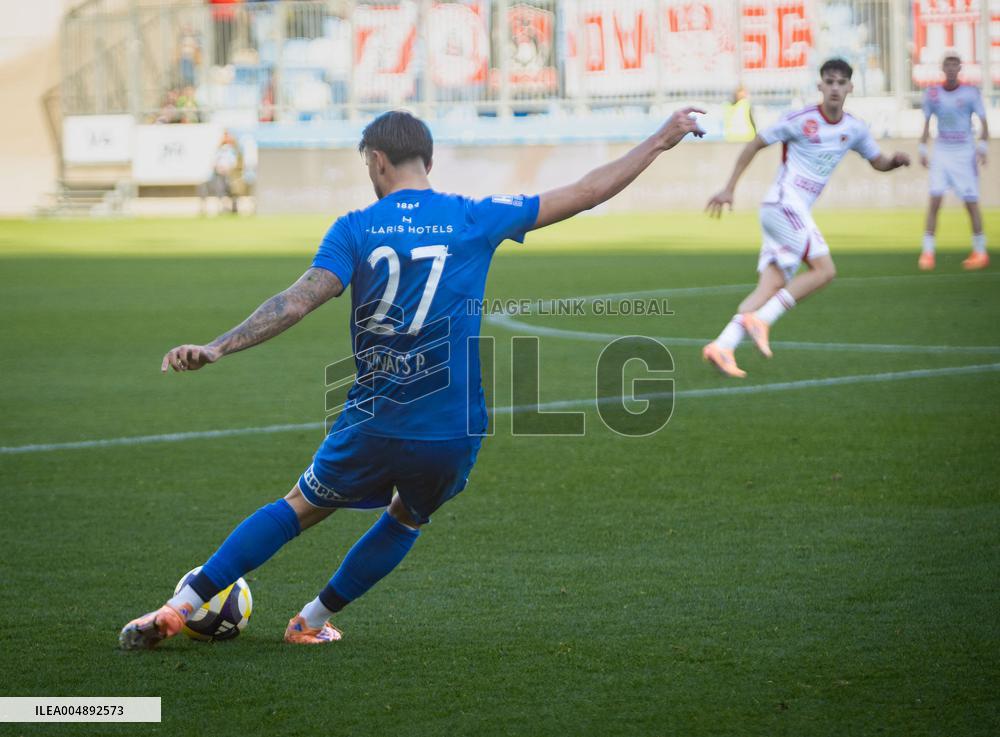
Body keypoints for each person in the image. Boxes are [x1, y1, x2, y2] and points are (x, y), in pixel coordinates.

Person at [119, 107, 705, 649]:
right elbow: (584, 193)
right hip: (450, 426)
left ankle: (181, 604)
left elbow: (296, 302)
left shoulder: (354, 227)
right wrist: (659, 139)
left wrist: (218, 347)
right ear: (429, 160)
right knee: (407, 514)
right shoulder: (474, 216)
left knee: (300, 506)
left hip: (373, 418)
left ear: (375, 160)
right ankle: (312, 621)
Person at [703, 59, 910, 379]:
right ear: (820, 86)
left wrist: (894, 161)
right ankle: (763, 320)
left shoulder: (854, 128)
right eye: (829, 82)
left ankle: (722, 345)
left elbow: (877, 161)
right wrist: (729, 188)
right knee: (825, 270)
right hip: (785, 203)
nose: (835, 88)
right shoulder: (801, 120)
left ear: (850, 87)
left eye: (841, 83)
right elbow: (757, 142)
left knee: (771, 285)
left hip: (786, 210)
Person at [917, 52, 990, 272]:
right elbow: (926, 124)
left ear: (960, 69)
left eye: (954, 65)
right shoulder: (932, 94)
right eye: (947, 65)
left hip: (964, 152)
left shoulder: (970, 93)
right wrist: (922, 148)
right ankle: (927, 252)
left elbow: (983, 123)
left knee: (970, 202)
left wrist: (983, 147)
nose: (950, 69)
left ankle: (980, 251)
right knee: (935, 201)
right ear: (942, 68)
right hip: (942, 152)